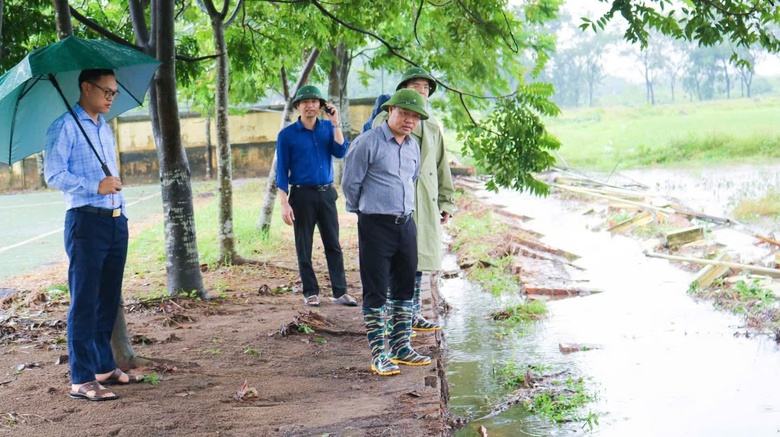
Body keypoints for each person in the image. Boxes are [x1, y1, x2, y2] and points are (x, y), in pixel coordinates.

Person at [44, 69, 143, 402]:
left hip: (115, 222)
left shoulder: (104, 127)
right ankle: (82, 378)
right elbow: (54, 174)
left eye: (115, 92)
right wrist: (94, 186)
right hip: (85, 223)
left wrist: (119, 207)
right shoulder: (65, 126)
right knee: (84, 301)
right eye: (106, 91)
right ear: (86, 88)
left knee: (108, 299)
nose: (111, 97)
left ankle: (103, 367)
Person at [342, 89, 432, 376]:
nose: (409, 120)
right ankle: (379, 354)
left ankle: (401, 347)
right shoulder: (367, 143)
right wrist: (365, 211)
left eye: (415, 116)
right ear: (390, 111)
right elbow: (350, 184)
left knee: (405, 287)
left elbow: (412, 178)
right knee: (377, 289)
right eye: (404, 113)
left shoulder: (413, 146)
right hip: (375, 225)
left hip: (405, 224)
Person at [372, 67, 455, 331]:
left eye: (425, 87)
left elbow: (441, 165)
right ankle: (390, 315)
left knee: (417, 258)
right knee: (394, 258)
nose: (421, 91)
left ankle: (413, 313)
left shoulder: (431, 125)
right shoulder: (383, 121)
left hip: (424, 199)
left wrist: (446, 200)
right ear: (402, 89)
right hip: (393, 199)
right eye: (415, 86)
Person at [276, 85, 357, 307]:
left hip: (326, 194)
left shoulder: (328, 128)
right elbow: (281, 171)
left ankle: (340, 292)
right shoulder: (287, 135)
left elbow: (340, 151)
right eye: (305, 102)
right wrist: (284, 203)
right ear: (298, 106)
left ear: (321, 105)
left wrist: (336, 122)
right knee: (304, 245)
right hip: (301, 195)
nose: (310, 105)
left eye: (314, 101)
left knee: (333, 245)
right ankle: (310, 292)